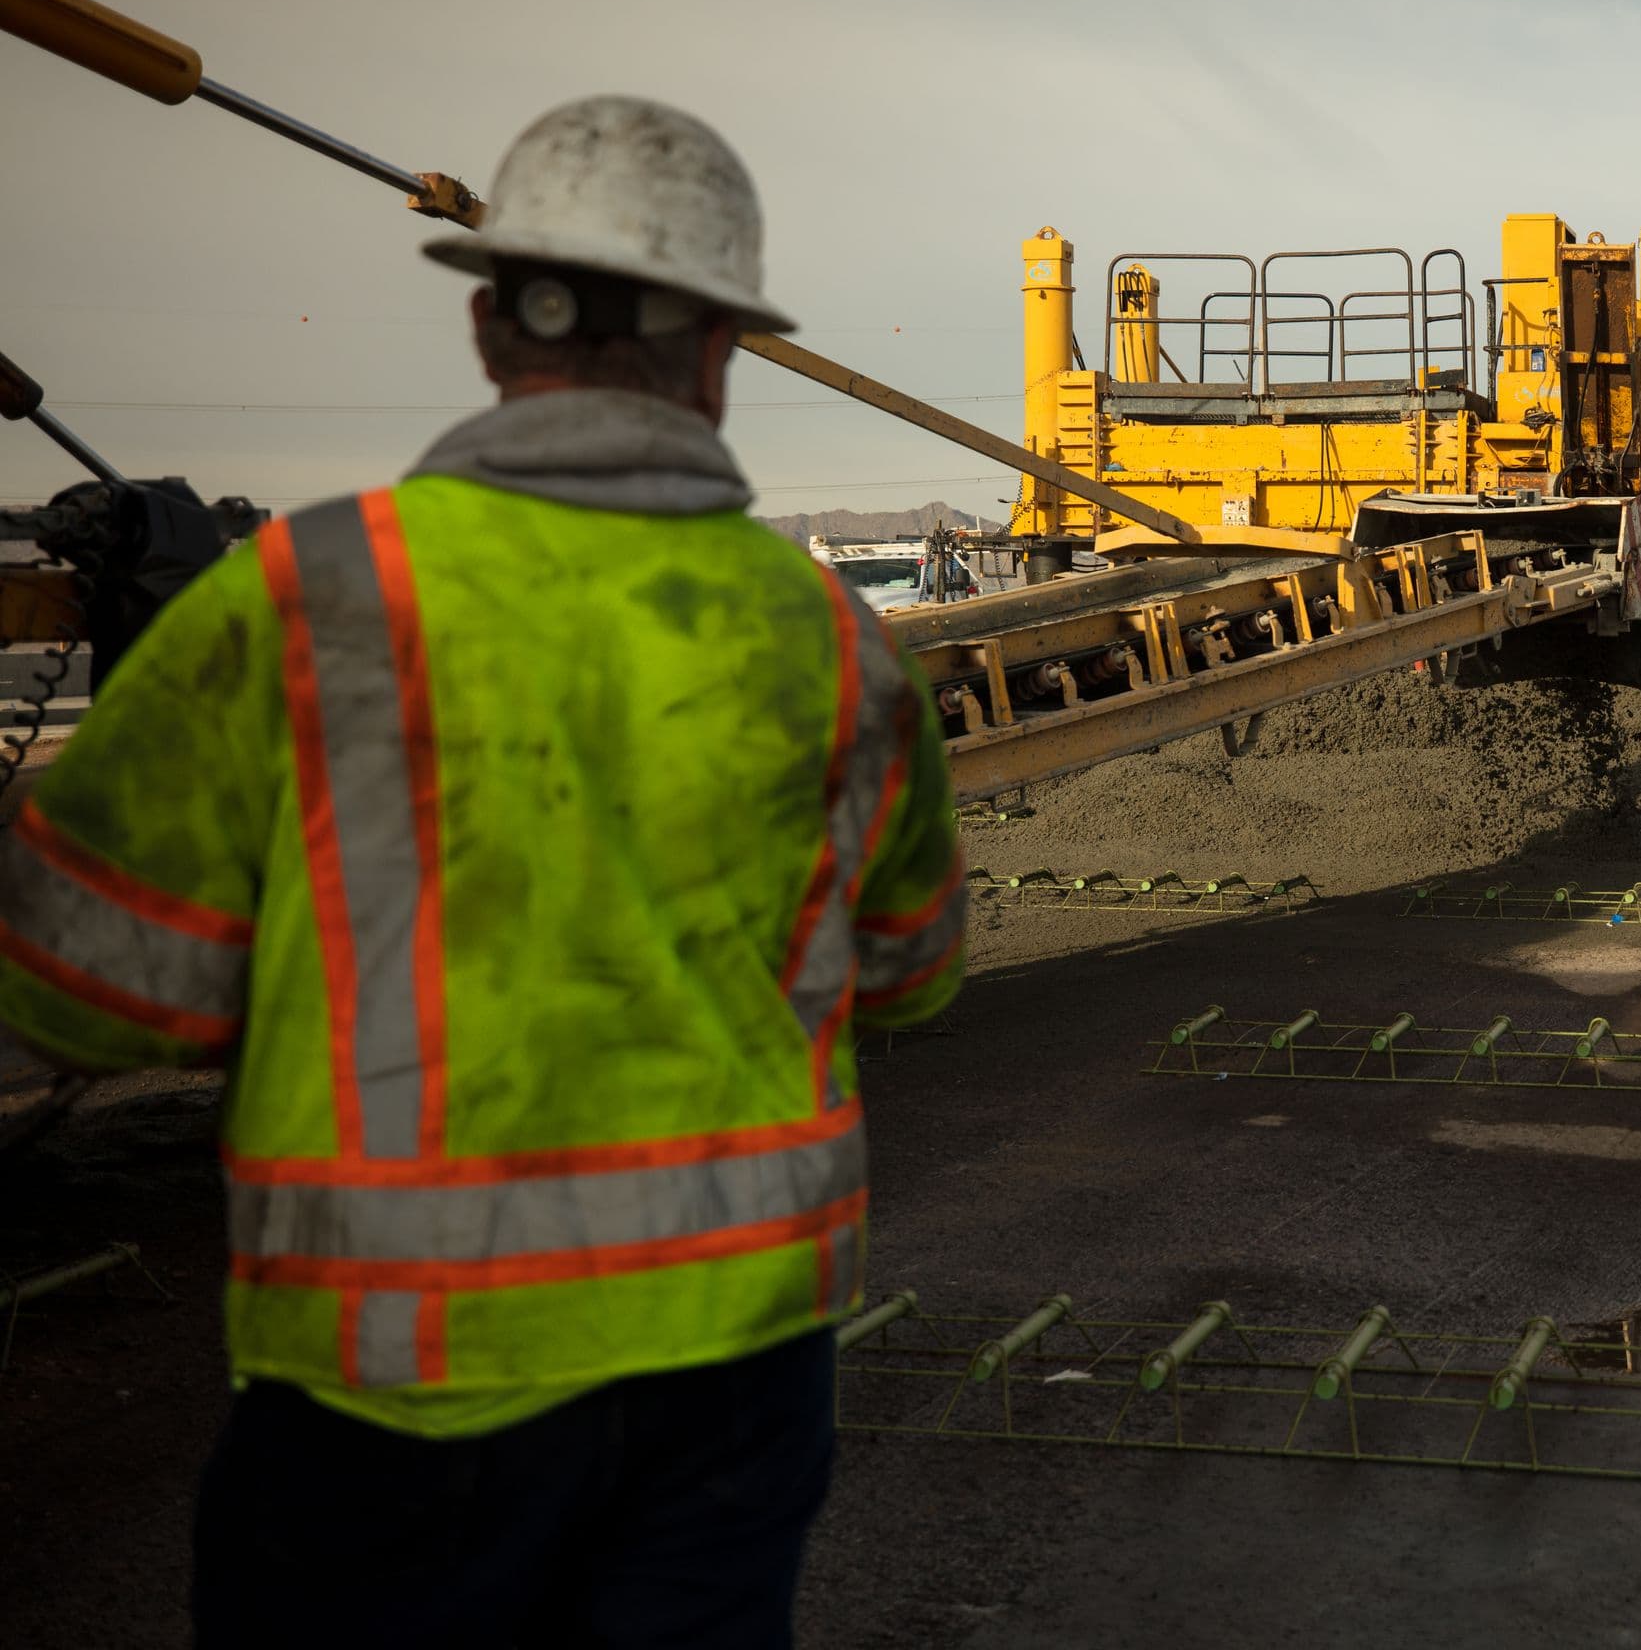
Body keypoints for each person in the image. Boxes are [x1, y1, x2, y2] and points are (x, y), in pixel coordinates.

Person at [0, 96, 966, 1646]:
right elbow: (915, 972)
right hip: (735, 1373)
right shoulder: (834, 640)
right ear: (720, 351)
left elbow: (81, 993)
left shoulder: (308, 600)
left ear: (487, 327)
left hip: (397, 1390)